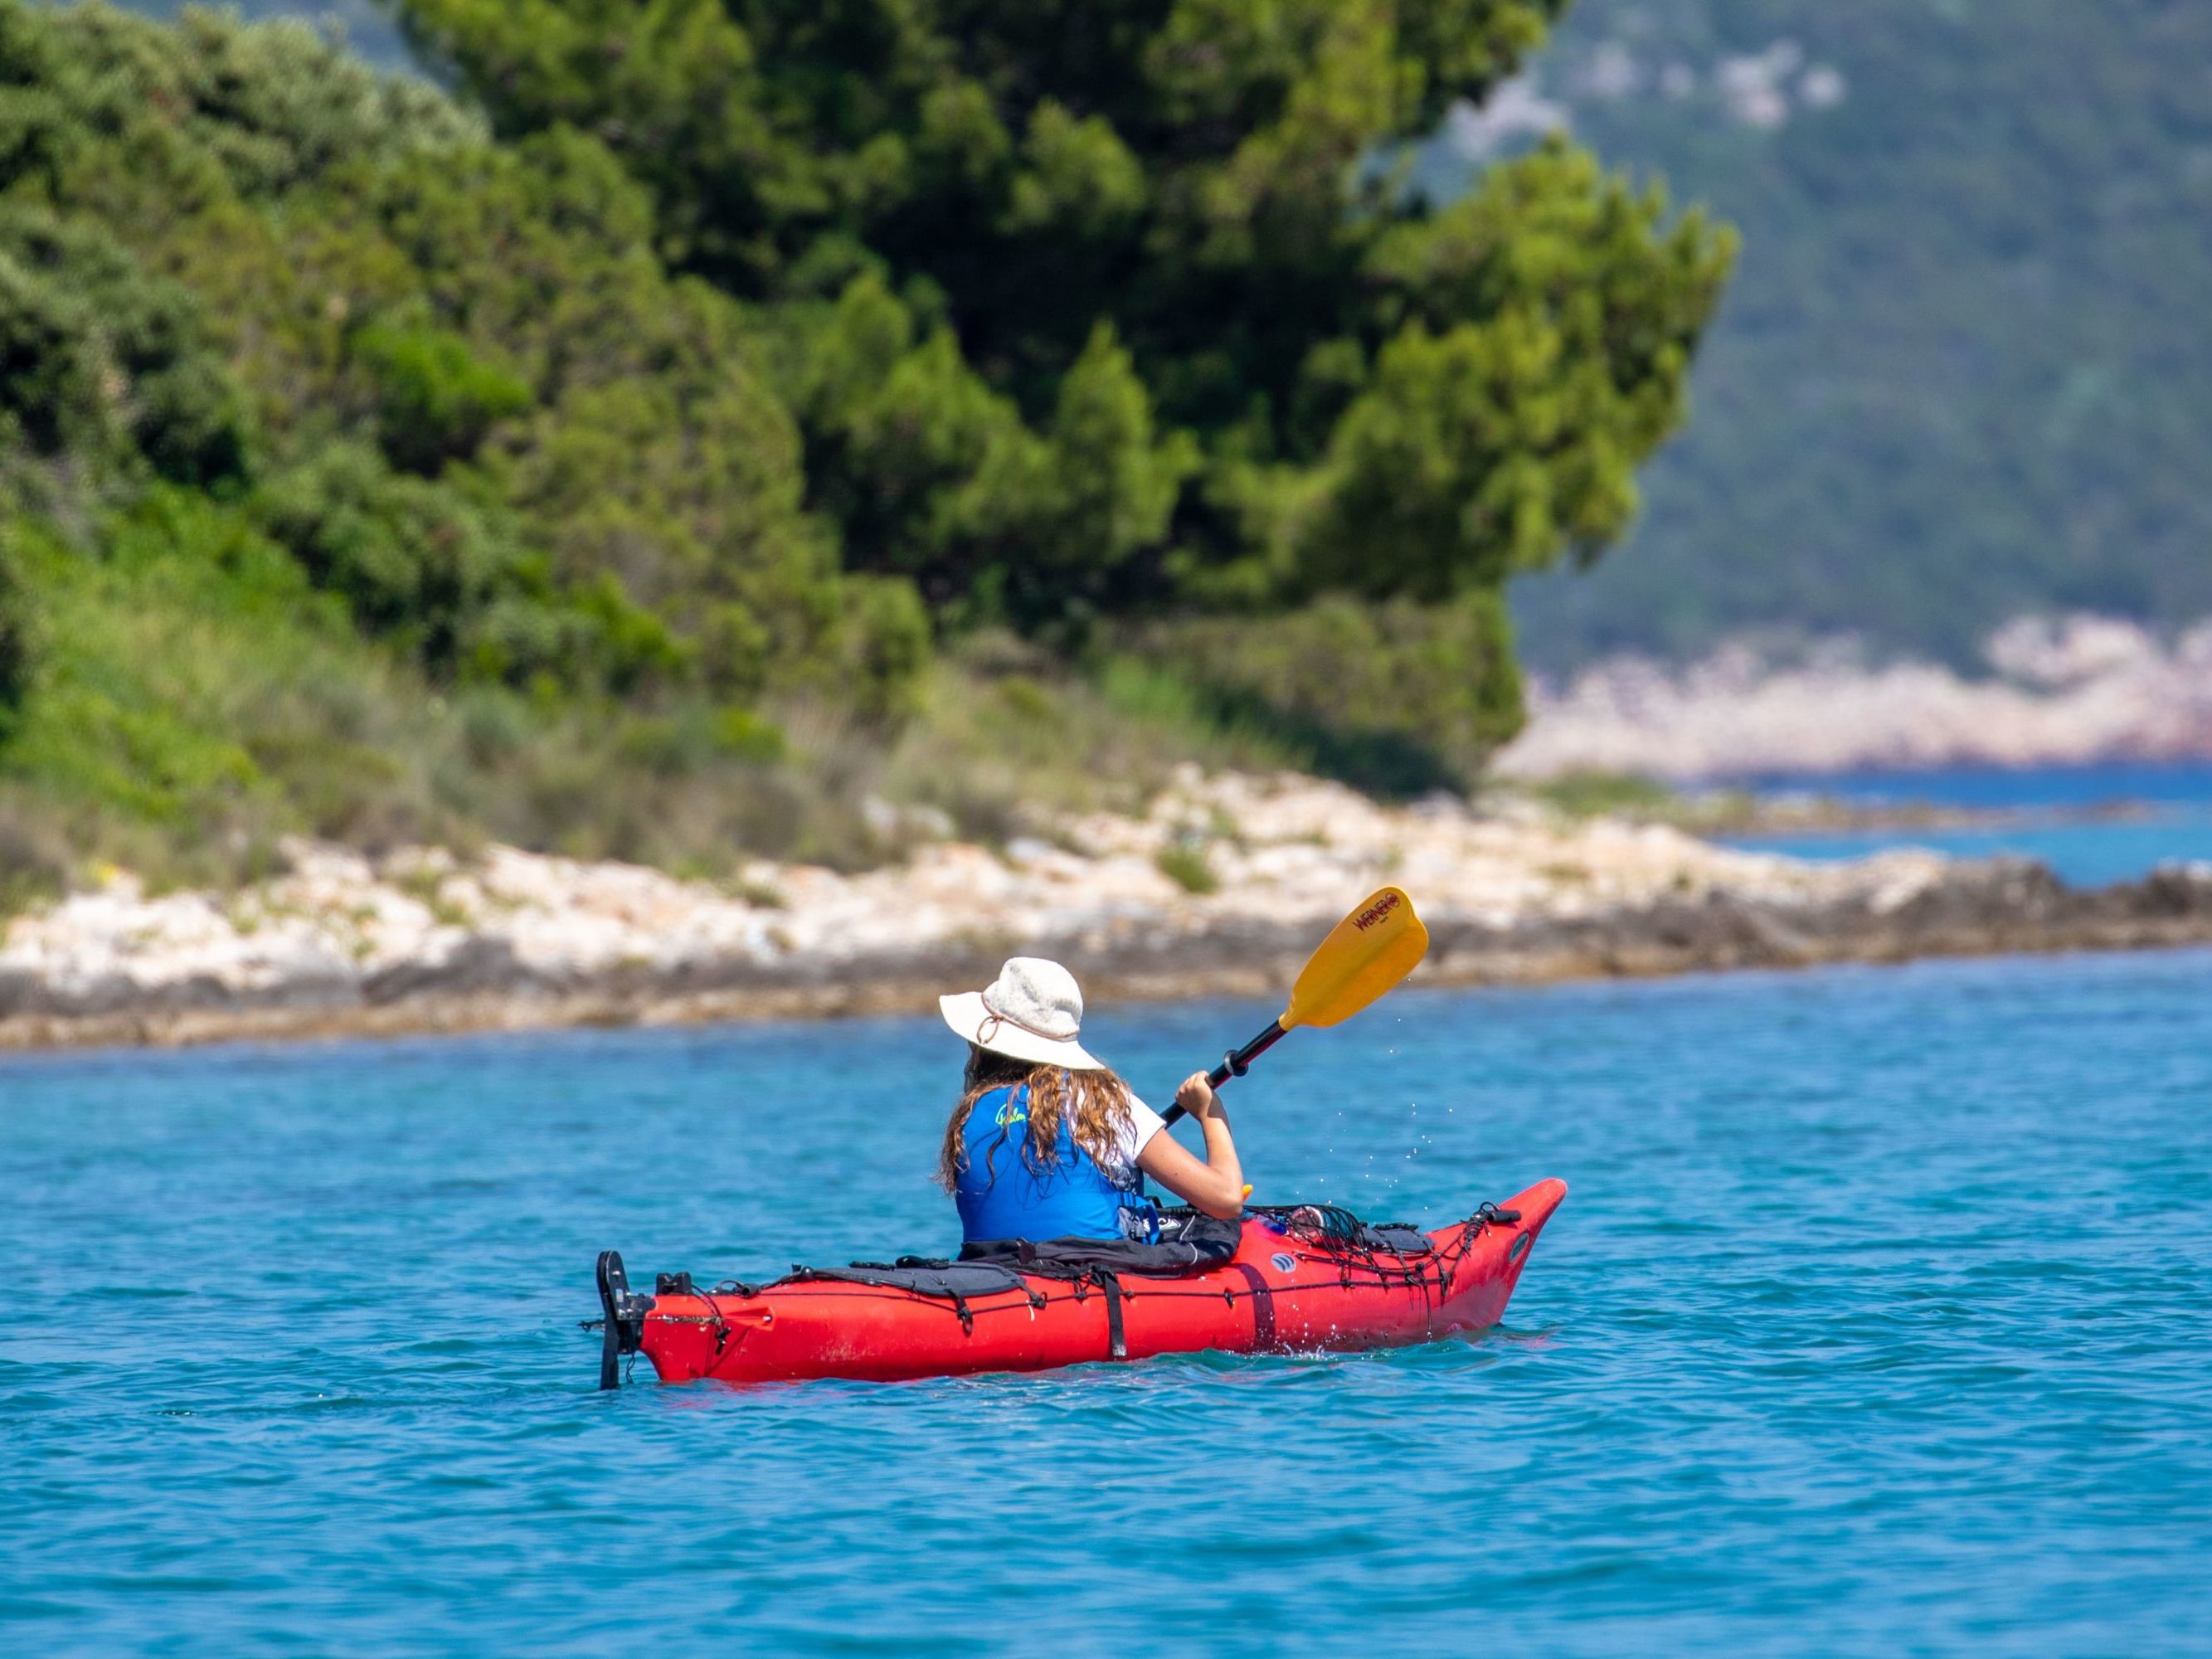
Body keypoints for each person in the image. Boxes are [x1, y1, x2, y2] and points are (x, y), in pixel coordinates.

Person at [938, 957, 1246, 1244]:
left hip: (997, 1276)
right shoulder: (1101, 1103)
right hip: (1089, 1277)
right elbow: (1227, 1200)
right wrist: (1210, 1112)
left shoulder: (968, 1116)